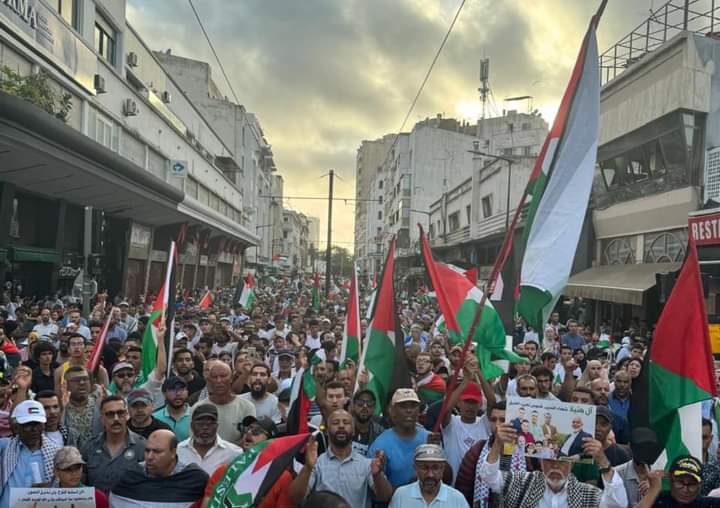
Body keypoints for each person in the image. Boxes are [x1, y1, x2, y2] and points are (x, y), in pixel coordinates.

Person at [478, 422, 628, 508]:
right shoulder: (521, 483)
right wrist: (498, 444)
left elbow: (619, 504)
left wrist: (602, 460)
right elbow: (488, 476)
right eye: (549, 460)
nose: (555, 467)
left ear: (572, 463)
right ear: (541, 461)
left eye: (562, 461)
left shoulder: (588, 495)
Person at [289, 408, 393, 507]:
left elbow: (385, 497)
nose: (341, 426)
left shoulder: (366, 464)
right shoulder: (317, 464)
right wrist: (307, 467)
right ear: (327, 430)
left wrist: (377, 475)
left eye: (346, 423)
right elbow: (295, 498)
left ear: (353, 431)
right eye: (335, 423)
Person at [202, 412, 294, 508]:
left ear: (270, 441)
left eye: (256, 431)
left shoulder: (281, 477)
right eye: (247, 429)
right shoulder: (224, 471)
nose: (249, 433)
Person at [109, 429, 209, 507]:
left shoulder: (195, 480)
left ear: (173, 452)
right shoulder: (128, 478)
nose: (149, 457)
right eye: (147, 450)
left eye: (157, 452)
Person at [0, 400, 62, 508]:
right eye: (27, 425)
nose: (33, 430)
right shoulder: (4, 447)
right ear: (16, 427)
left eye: (37, 424)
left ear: (43, 425)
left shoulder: (56, 453)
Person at [81, 395, 145, 493]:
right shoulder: (89, 447)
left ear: (127, 415)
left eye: (120, 413)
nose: (116, 419)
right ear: (102, 418)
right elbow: (81, 485)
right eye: (110, 414)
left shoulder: (142, 446)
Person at [367, 388, 430, 488]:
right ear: (392, 411)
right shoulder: (380, 445)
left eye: (413, 406)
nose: (409, 410)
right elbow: (376, 492)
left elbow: (447, 478)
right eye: (403, 406)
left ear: (418, 411)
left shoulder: (429, 439)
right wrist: (408, 489)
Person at [192, 361, 255, 443]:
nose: (219, 380)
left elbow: (250, 440)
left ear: (231, 378)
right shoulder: (198, 408)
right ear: (209, 380)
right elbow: (194, 440)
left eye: (223, 376)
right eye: (215, 377)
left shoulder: (246, 407)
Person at [388, 444, 469, 507]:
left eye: (435, 468)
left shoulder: (457, 499)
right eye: (424, 468)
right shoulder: (401, 495)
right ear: (415, 468)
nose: (430, 474)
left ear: (443, 468)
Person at [176, 403, 242, 474]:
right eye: (200, 424)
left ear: (217, 426)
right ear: (192, 425)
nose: (205, 428)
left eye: (210, 424)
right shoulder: (178, 450)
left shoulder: (234, 453)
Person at [636, 455, 720, 507]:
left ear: (700, 485)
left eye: (691, 485)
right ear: (670, 479)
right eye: (680, 482)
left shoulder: (709, 504)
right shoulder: (656, 501)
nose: (685, 489)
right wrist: (654, 490)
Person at [152, 375, 192, 442]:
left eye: (182, 389)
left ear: (187, 392)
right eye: (172, 389)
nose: (178, 393)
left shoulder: (195, 415)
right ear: (164, 393)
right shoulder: (155, 418)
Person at [351, 389, 384, 456]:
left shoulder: (380, 433)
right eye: (360, 403)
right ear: (354, 406)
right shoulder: (345, 427)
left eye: (369, 403)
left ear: (374, 408)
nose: (365, 406)